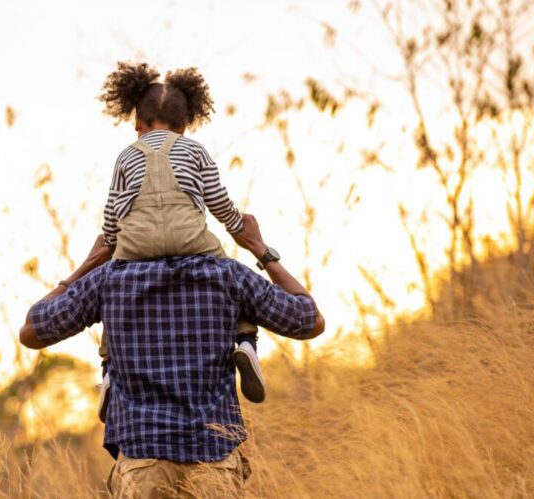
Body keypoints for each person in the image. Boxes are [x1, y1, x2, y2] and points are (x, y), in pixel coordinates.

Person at [20, 214, 324, 497]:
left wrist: (88, 265)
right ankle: (246, 340)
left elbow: (33, 330)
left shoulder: (109, 279)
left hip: (142, 459)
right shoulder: (228, 274)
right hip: (213, 458)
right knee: (240, 315)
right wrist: (260, 249)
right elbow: (309, 319)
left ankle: (109, 367)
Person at [57, 62, 269, 422]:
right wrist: (237, 226)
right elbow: (218, 201)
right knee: (232, 278)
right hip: (192, 242)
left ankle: (108, 370)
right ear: (184, 124)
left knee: (113, 290)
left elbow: (113, 214)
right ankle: (246, 342)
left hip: (135, 250)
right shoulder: (195, 150)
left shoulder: (126, 156)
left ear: (137, 121)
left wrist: (112, 241)